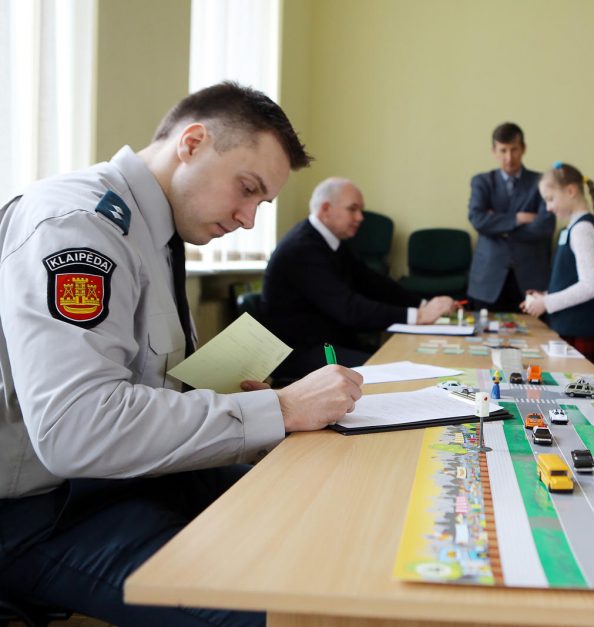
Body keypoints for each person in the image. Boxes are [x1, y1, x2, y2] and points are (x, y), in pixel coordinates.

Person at [0, 82, 364, 625]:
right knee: (281, 610)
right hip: (43, 512)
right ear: (191, 143)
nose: (248, 219)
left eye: (261, 203)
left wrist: (243, 408)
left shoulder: (156, 233)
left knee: (324, 522)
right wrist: (280, 410)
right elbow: (76, 429)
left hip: (127, 481)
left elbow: (140, 384)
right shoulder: (80, 227)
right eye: (247, 189)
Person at [261, 177, 454, 379]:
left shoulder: (332, 241)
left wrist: (424, 304)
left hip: (329, 342)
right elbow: (350, 309)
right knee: (395, 372)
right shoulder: (302, 248)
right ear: (326, 209)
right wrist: (419, 316)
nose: (360, 217)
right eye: (352, 209)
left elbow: (372, 282)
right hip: (300, 353)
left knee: (404, 363)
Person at [520, 162, 594, 366]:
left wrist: (546, 304)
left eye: (550, 199)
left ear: (570, 191)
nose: (548, 207)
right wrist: (545, 296)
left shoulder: (582, 229)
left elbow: (590, 286)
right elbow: (570, 279)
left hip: (578, 330)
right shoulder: (573, 228)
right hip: (568, 327)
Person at [467, 122, 555, 311]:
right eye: (503, 150)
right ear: (494, 151)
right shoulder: (482, 182)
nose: (508, 157)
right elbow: (477, 219)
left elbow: (546, 226)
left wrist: (497, 226)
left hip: (530, 278)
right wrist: (519, 218)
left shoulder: (542, 182)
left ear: (523, 149)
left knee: (534, 338)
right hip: (488, 280)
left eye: (514, 150)